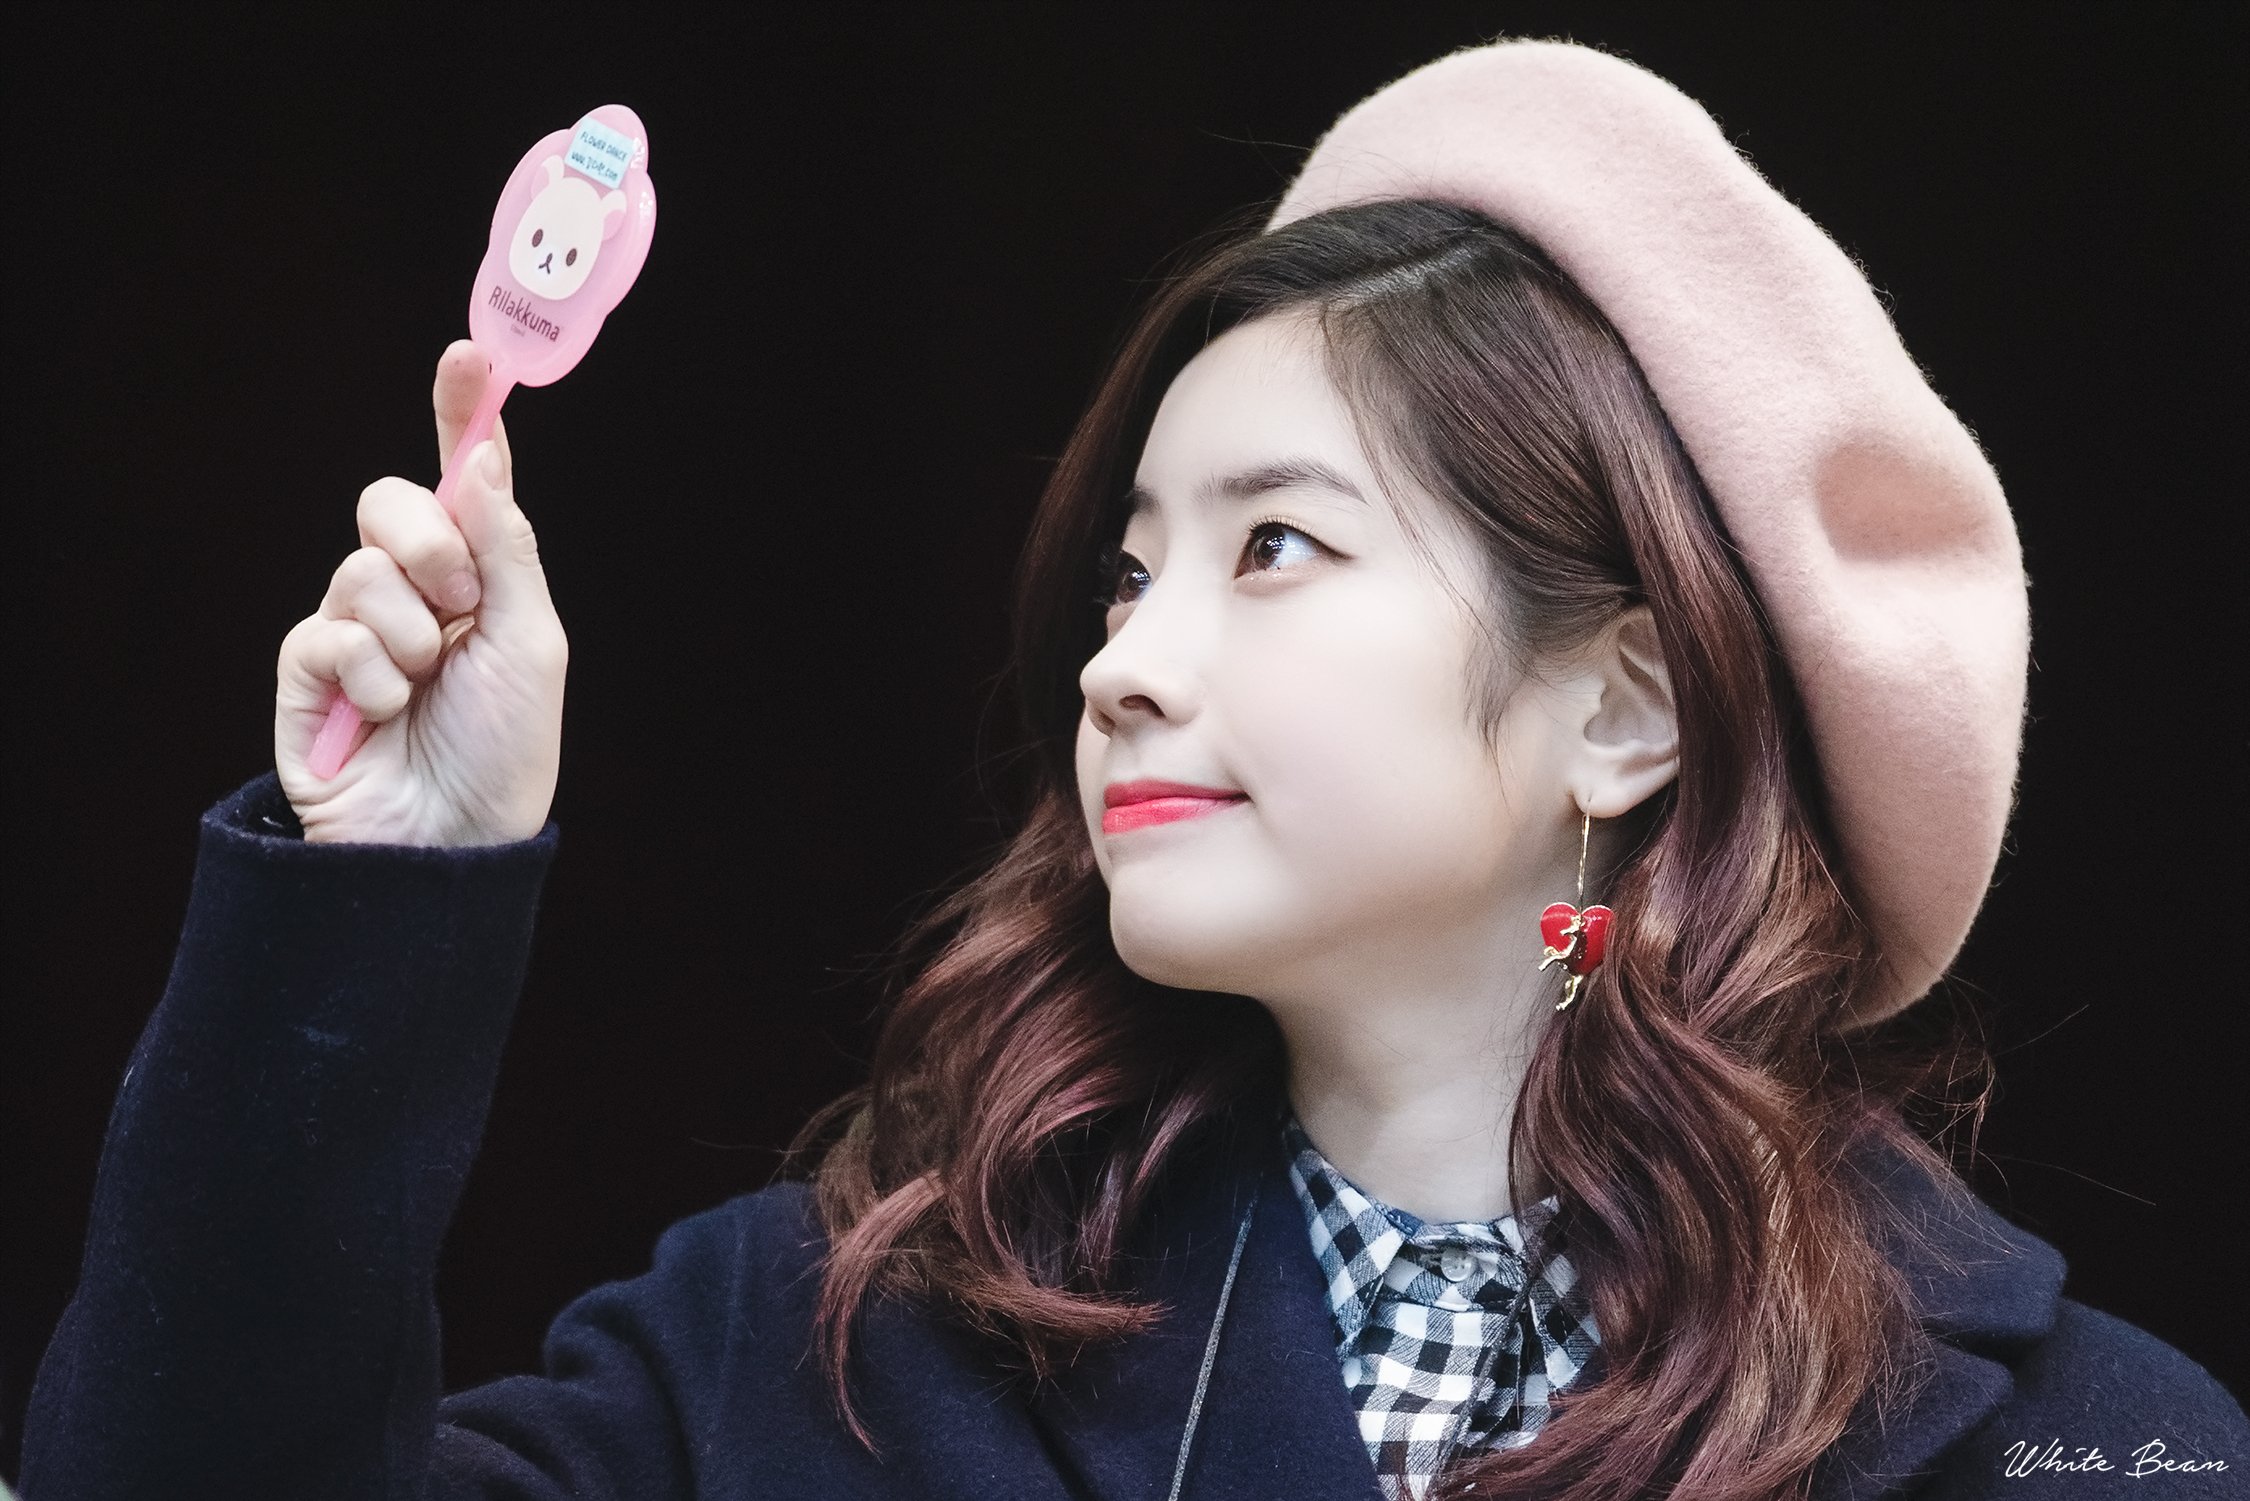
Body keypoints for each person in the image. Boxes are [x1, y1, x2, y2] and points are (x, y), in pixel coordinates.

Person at [20, 38, 2245, 1501]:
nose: (1124, 668)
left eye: (1274, 547)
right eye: (1125, 572)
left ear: (1626, 707)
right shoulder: (830, 1353)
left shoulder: (2082, 1447)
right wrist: (386, 894)